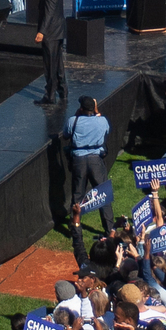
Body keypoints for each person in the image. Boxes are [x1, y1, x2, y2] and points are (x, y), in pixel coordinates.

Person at [64, 95, 110, 267]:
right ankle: (109, 229)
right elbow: (106, 131)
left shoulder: (73, 120)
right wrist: (97, 114)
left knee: (78, 194)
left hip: (79, 161)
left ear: (81, 108)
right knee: (103, 194)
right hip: (96, 160)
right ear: (94, 109)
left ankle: (75, 227)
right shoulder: (102, 121)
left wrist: (78, 116)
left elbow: (66, 135)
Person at [33, 0, 65, 106]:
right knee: (58, 63)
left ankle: (50, 96)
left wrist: (42, 32)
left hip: (51, 32)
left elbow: (49, 11)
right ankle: (62, 90)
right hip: (57, 31)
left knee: (50, 64)